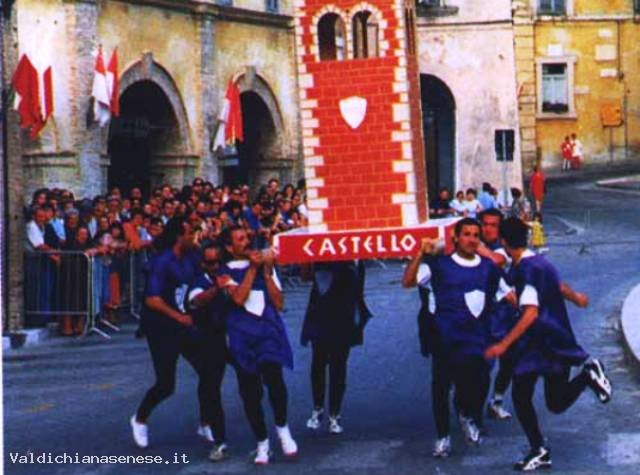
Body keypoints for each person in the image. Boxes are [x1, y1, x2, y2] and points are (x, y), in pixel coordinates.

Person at [485, 217, 611, 471]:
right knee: (556, 402)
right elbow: (559, 287)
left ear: (504, 242)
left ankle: (538, 450)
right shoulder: (540, 263)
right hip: (557, 340)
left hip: (536, 344)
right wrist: (577, 298)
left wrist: (504, 344)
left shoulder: (525, 271)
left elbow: (530, 313)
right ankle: (587, 375)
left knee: (521, 397)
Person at [402, 218, 513, 457]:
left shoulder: (489, 268)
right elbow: (408, 281)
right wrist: (420, 254)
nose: (471, 239)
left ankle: (467, 415)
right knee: (441, 387)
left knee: (475, 383)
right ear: (455, 237)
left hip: (476, 339)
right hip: (445, 338)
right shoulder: (439, 265)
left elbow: (509, 294)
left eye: (475, 235)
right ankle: (443, 436)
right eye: (466, 234)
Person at [130, 217, 216, 450]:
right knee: (166, 384)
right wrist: (179, 317)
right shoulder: (162, 261)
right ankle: (140, 418)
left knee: (208, 370)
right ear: (179, 236)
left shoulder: (192, 256)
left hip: (184, 325)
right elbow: (152, 299)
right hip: (161, 327)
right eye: (191, 233)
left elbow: (205, 275)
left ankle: (206, 422)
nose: (195, 237)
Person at [218, 226, 297, 465]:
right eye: (240, 239)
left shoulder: (265, 265)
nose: (247, 241)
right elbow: (239, 298)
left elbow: (279, 302)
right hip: (241, 335)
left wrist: (268, 271)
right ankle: (262, 441)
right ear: (229, 247)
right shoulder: (224, 272)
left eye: (247, 237)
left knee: (275, 380)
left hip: (267, 331)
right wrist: (253, 268)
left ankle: (283, 429)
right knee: (250, 391)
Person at [300, 260, 372, 434]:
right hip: (320, 313)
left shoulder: (355, 261)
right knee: (318, 361)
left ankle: (335, 413)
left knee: (338, 363)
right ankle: (318, 407)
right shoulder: (319, 258)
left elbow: (358, 287)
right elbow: (306, 276)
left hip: (344, 313)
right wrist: (306, 260)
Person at [187, 243, 231, 462]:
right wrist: (217, 288)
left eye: (217, 262)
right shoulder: (199, 282)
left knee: (251, 384)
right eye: (209, 263)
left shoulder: (228, 276)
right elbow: (196, 300)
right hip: (208, 342)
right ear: (203, 264)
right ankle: (218, 440)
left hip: (230, 339)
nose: (214, 266)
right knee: (211, 388)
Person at [477, 209, 515, 421]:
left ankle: (496, 401)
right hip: (481, 315)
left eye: (494, 225)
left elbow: (497, 260)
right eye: (485, 224)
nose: (488, 229)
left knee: (508, 361)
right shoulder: (473, 247)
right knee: (483, 366)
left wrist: (475, 245)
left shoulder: (503, 248)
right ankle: (472, 411)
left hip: (504, 313)